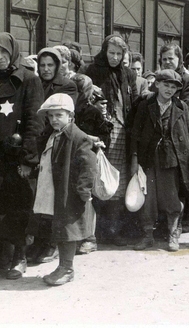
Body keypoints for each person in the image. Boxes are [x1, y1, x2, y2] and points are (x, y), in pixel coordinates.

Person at [0, 32, 44, 279]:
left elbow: (35, 122)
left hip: (15, 156)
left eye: (4, 52)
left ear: (13, 52)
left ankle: (19, 257)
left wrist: (27, 159)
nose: (0, 57)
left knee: (18, 205)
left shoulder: (29, 79)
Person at [27, 93, 97, 286]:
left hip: (69, 191)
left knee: (68, 229)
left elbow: (88, 165)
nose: (54, 120)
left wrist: (83, 190)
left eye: (59, 115)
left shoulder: (78, 137)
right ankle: (63, 266)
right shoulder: (52, 136)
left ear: (70, 116)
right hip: (54, 188)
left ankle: (67, 267)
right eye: (51, 116)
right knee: (59, 227)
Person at [131, 69, 189, 252]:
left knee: (170, 196)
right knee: (148, 198)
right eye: (166, 85)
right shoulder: (145, 105)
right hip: (149, 158)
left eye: (173, 87)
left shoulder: (180, 107)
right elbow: (135, 134)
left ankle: (173, 232)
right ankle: (147, 235)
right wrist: (135, 158)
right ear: (157, 84)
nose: (169, 90)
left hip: (171, 158)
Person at [84, 35, 138, 245]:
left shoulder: (128, 74)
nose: (115, 58)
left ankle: (113, 231)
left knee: (118, 180)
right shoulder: (93, 71)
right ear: (104, 52)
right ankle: (93, 234)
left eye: (119, 54)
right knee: (98, 180)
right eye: (111, 53)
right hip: (101, 132)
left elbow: (131, 102)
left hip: (122, 133)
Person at [157, 43, 189, 233]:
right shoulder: (158, 78)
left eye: (171, 58)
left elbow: (188, 110)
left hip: (180, 133)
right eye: (164, 59)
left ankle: (180, 223)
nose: (167, 62)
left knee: (179, 183)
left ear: (179, 59)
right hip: (162, 136)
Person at [71, 74, 114, 255]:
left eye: (82, 90)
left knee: (87, 197)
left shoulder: (93, 112)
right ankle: (76, 237)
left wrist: (95, 141)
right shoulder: (68, 109)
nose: (79, 94)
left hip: (88, 159)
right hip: (70, 159)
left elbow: (105, 136)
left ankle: (90, 238)